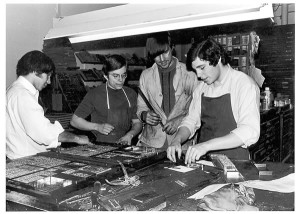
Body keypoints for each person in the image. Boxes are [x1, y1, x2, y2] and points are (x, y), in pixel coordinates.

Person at [167, 38, 260, 164]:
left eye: (202, 67)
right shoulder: (201, 88)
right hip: (205, 162)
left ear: (218, 59)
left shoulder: (244, 85)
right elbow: (191, 121)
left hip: (235, 163)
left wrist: (205, 146)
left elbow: (249, 130)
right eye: (196, 70)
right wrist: (177, 140)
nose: (198, 75)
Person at [6, 50, 91, 160]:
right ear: (36, 71)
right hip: (27, 160)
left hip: (21, 158)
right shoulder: (22, 95)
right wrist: (78, 138)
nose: (49, 81)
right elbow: (44, 132)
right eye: (48, 76)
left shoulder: (14, 90)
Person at [137, 32, 199, 149]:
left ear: (172, 48)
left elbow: (198, 108)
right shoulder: (146, 76)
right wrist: (145, 115)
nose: (162, 59)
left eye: (165, 52)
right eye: (156, 55)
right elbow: (141, 107)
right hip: (152, 142)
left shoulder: (190, 73)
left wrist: (179, 120)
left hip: (181, 143)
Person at [70, 54, 142, 145]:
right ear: (105, 76)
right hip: (101, 144)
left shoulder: (131, 94)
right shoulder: (95, 94)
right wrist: (97, 126)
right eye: (115, 76)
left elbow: (137, 122)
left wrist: (130, 135)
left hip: (124, 143)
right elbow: (74, 121)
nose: (121, 80)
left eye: (123, 75)